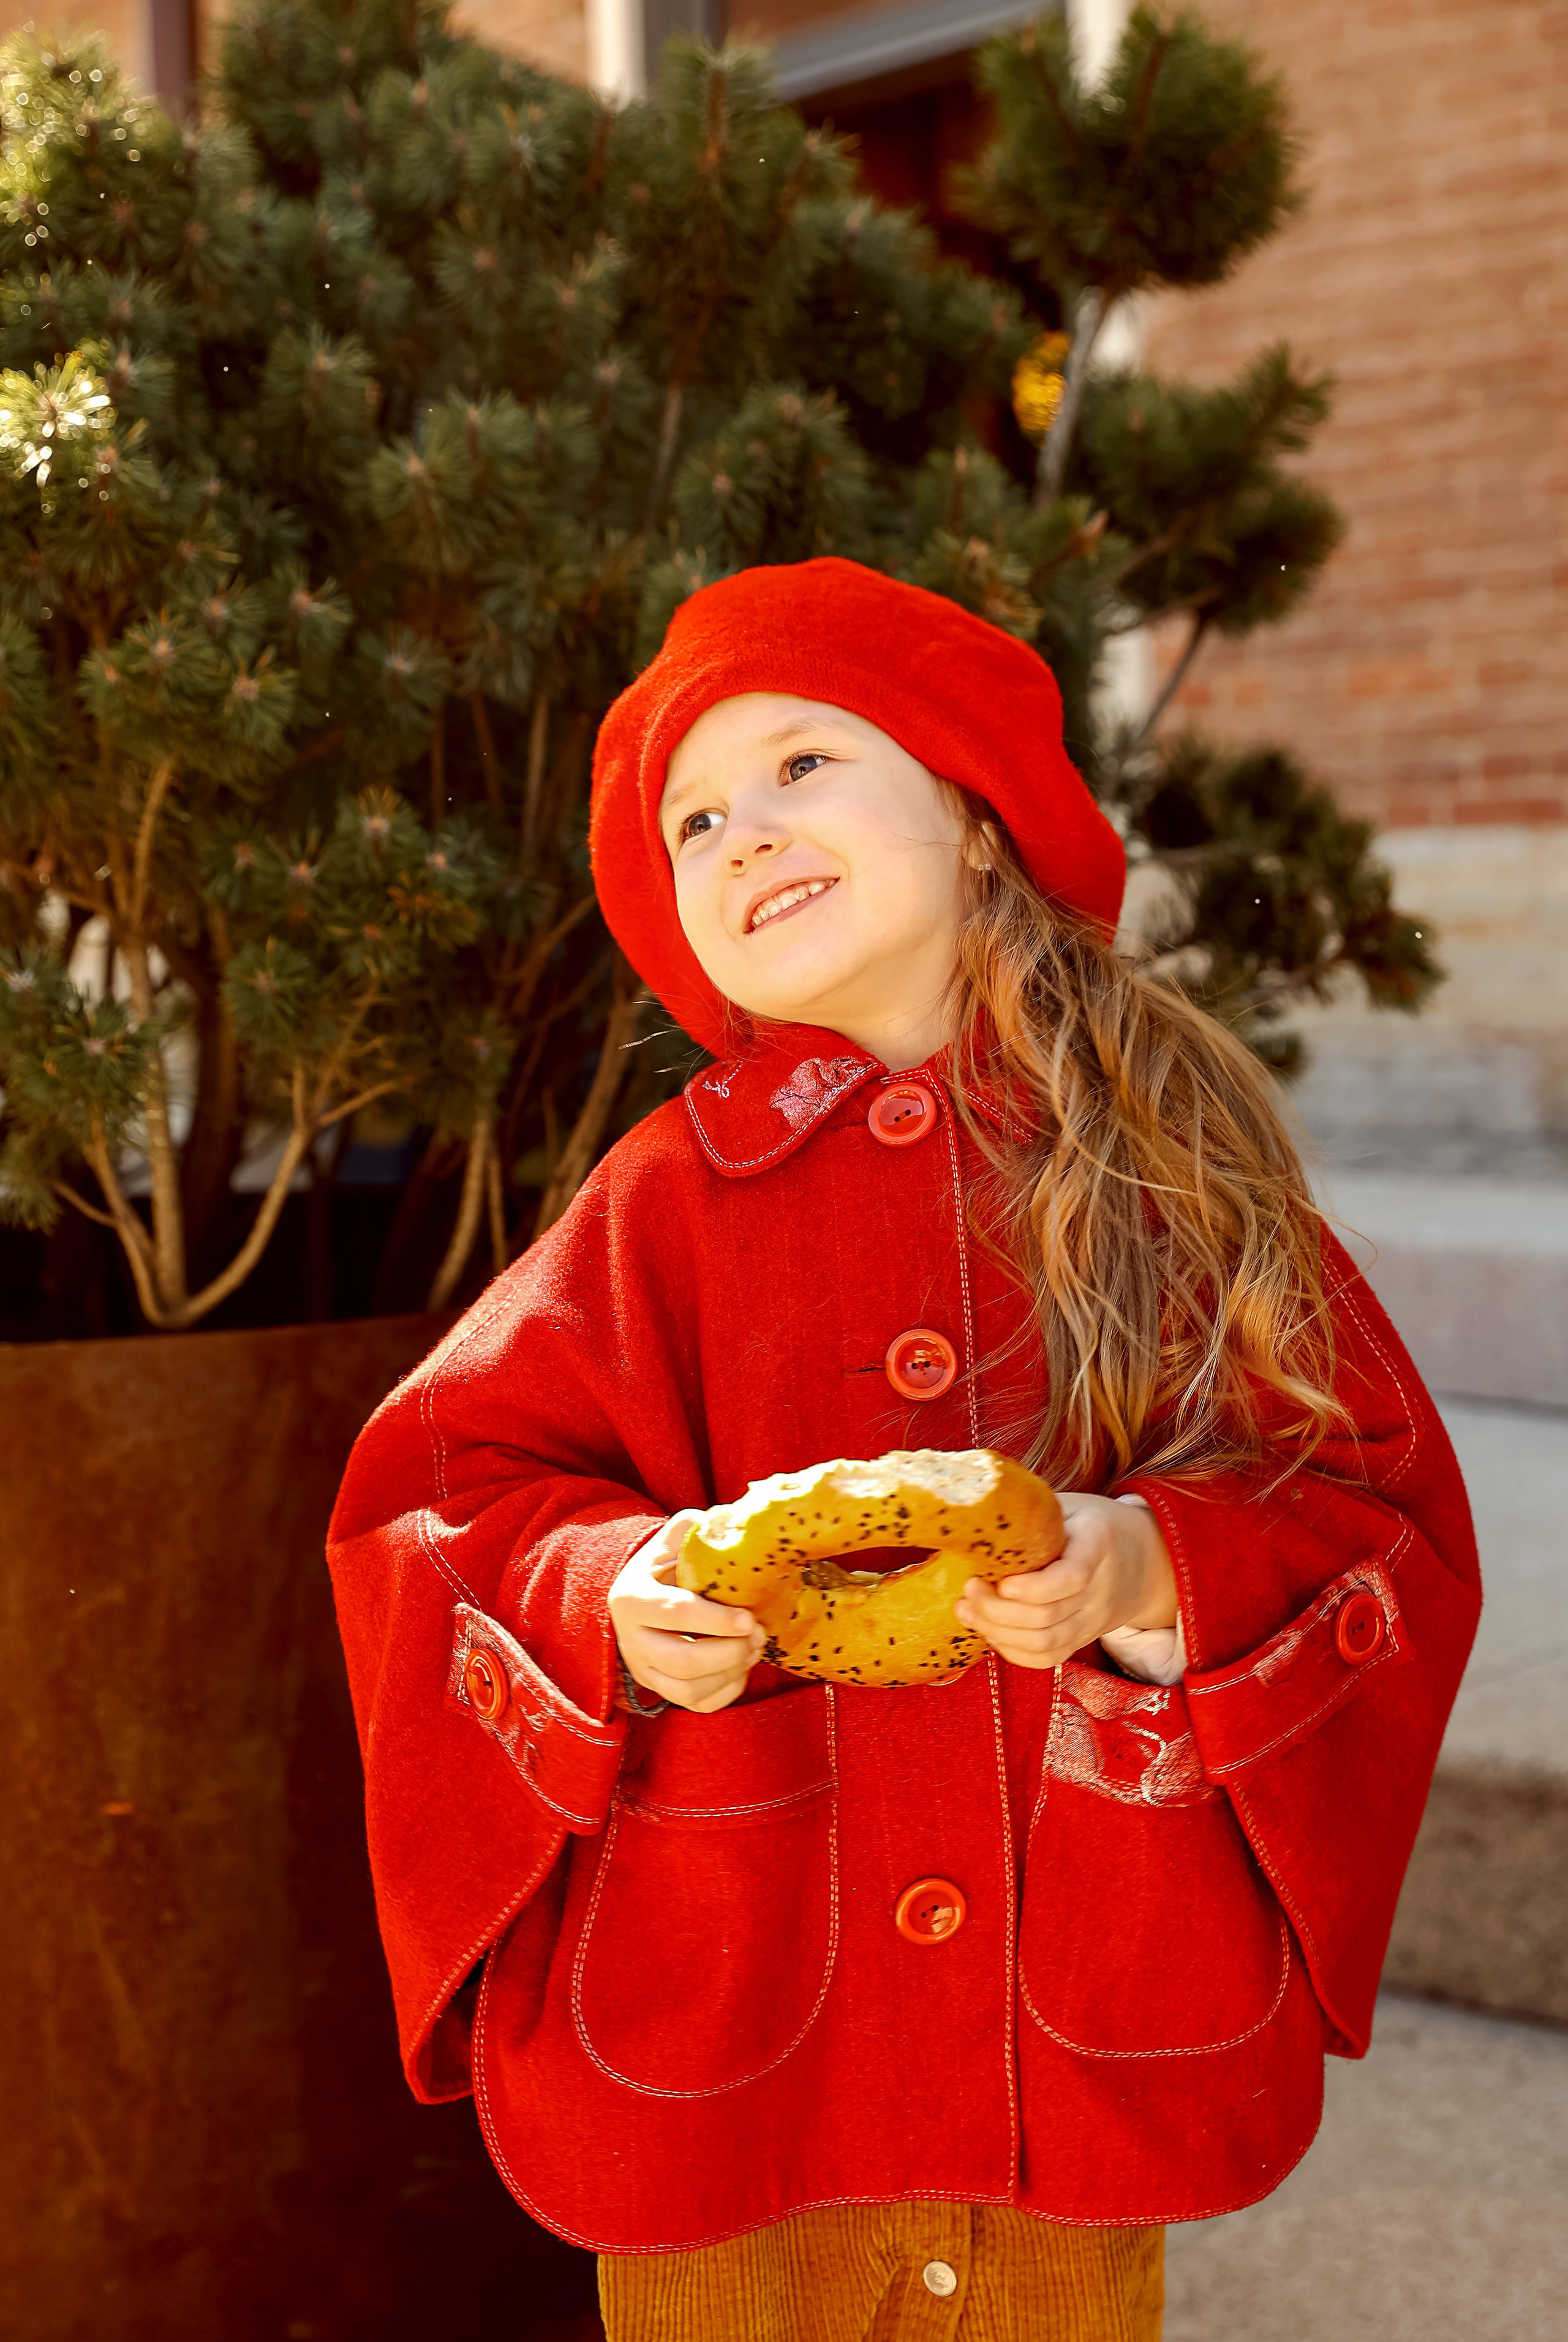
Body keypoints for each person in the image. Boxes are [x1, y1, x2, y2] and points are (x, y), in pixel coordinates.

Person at [327, 558, 1480, 2341]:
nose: (741, 834)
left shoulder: (1171, 1177)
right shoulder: (665, 1208)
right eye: (695, 819)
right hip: (735, 2049)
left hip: (1080, 2029)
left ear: (972, 807)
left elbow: (1368, 1507)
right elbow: (444, 1503)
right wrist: (614, 1594)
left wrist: (1148, 1561)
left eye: (800, 766)